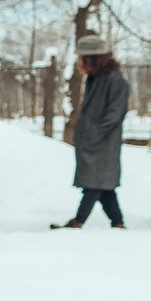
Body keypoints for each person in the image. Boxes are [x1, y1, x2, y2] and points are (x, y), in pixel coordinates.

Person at [57, 33, 128, 229]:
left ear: (94, 59)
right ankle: (118, 223)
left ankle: (78, 221)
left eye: (82, 57)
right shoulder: (94, 78)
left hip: (103, 144)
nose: (79, 61)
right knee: (104, 187)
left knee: (94, 185)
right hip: (93, 143)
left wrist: (92, 134)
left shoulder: (116, 81)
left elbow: (114, 115)